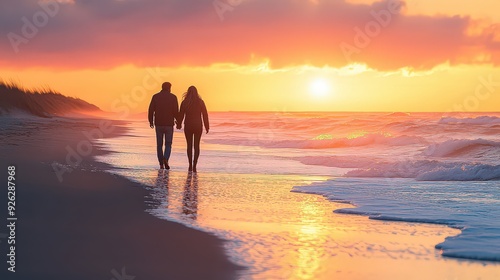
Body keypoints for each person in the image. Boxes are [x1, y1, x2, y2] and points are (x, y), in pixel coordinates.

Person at [176, 86, 209, 172]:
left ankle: (190, 164)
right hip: (198, 126)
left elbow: (181, 115)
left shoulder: (185, 102)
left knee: (189, 146)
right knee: (197, 146)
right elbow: (205, 115)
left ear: (188, 92)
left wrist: (178, 124)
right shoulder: (200, 102)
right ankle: (195, 165)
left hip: (188, 126)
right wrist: (207, 126)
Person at [148, 82, 179, 169]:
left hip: (159, 124)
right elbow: (176, 111)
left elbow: (151, 110)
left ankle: (161, 164)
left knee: (159, 144)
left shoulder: (155, 96)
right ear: (169, 88)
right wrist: (179, 122)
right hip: (169, 124)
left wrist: (151, 121)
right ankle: (166, 158)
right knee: (168, 144)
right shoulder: (173, 97)